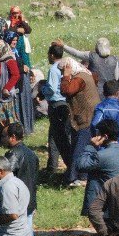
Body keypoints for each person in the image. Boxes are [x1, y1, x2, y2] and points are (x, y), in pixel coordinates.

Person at [2, 123, 39, 236]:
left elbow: (5, 177)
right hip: (29, 201)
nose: (1, 138)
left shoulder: (13, 155)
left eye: (4, 136)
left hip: (17, 202)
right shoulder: (32, 154)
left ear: (13, 137)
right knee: (28, 235)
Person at [60, 58, 100, 185]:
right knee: (84, 147)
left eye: (63, 70)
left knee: (80, 148)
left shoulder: (79, 78)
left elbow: (67, 90)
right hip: (89, 116)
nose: (62, 73)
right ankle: (83, 175)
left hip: (86, 117)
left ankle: (76, 177)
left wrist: (66, 76)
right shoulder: (86, 74)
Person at [44, 43, 74, 174]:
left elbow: (51, 87)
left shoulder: (53, 69)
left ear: (51, 55)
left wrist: (43, 90)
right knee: (65, 134)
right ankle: (68, 163)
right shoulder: (66, 67)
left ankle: (53, 166)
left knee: (55, 135)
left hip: (56, 103)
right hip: (66, 103)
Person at [92, 80, 119, 149]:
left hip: (106, 152)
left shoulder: (102, 109)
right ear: (118, 93)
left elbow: (94, 125)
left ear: (103, 93)